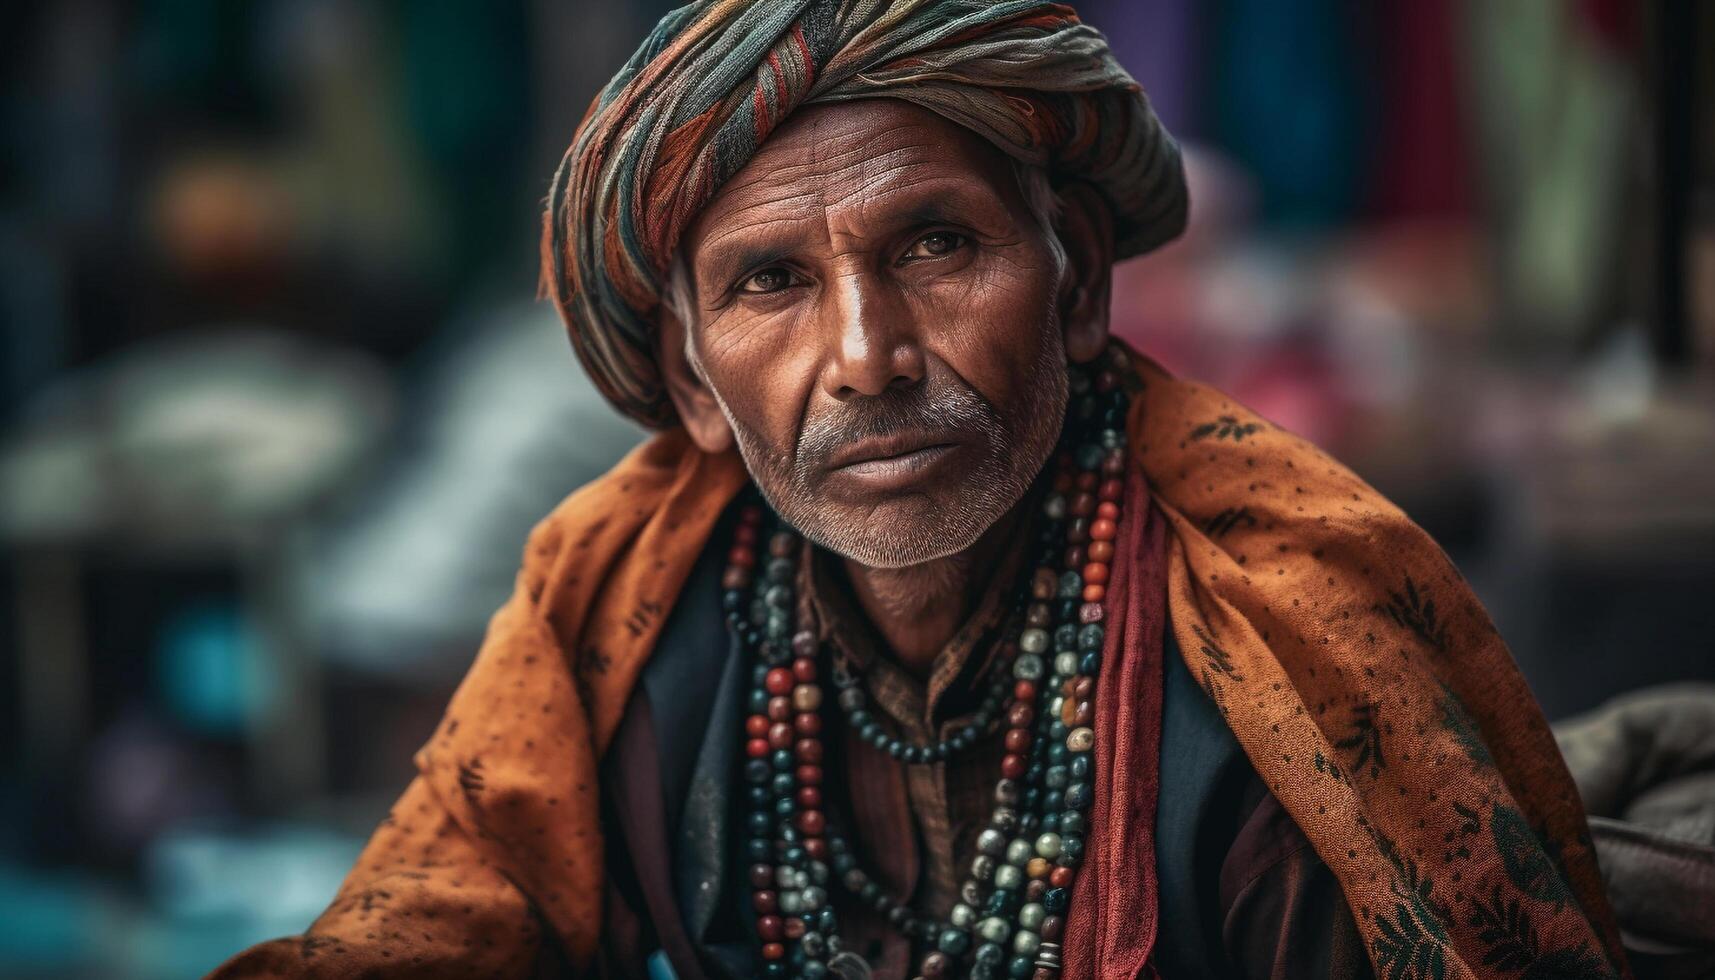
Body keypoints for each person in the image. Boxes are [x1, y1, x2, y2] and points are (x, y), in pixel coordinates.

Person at [213, 2, 1630, 978]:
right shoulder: (614, 608)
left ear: (1074, 280)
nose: (868, 356)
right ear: (695, 382)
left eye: (939, 246)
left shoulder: (1287, 616)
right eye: (769, 284)